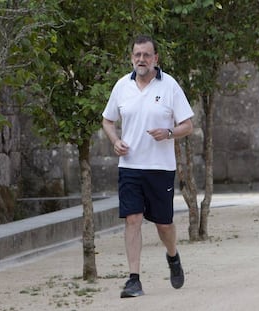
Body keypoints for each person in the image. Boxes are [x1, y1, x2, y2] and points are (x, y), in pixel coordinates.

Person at [102, 35, 194, 298]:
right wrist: (115, 140)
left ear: (155, 58)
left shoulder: (170, 86)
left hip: (160, 168)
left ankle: (173, 256)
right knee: (132, 219)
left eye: (146, 55)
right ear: (131, 58)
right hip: (129, 166)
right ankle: (134, 279)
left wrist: (168, 132)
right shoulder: (122, 86)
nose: (141, 60)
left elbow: (188, 124)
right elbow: (108, 121)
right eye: (136, 55)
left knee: (163, 224)